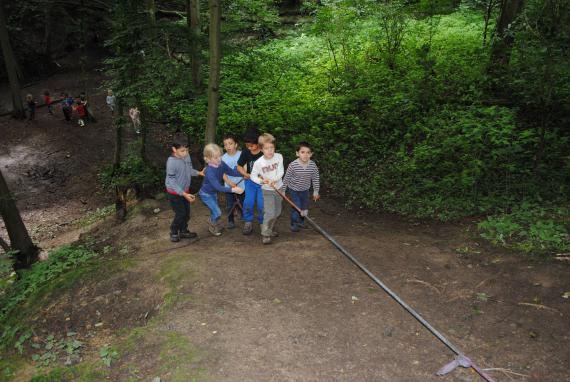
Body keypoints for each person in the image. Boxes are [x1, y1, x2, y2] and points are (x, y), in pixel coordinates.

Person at [199, 143, 244, 236]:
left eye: (220, 156)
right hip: (206, 194)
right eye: (215, 157)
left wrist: (244, 174)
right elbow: (218, 187)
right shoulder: (209, 171)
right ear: (208, 159)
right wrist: (233, 190)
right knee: (217, 212)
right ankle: (211, 222)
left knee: (214, 211)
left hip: (213, 193)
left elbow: (231, 172)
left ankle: (214, 224)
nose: (219, 159)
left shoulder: (221, 164)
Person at [250, 133, 284, 244]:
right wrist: (262, 181)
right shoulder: (258, 163)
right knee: (269, 213)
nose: (270, 150)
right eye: (266, 148)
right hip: (267, 190)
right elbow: (253, 176)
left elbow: (281, 171)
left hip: (279, 188)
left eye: (272, 147)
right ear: (261, 149)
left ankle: (269, 229)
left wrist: (274, 180)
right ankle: (265, 234)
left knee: (277, 212)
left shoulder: (279, 157)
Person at [165, 135, 199, 242]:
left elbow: (189, 170)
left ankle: (183, 230)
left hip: (185, 191)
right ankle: (174, 231)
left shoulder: (186, 156)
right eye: (182, 151)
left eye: (187, 150)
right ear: (174, 149)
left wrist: (199, 173)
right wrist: (183, 194)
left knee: (187, 213)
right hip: (174, 192)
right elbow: (172, 181)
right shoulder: (171, 162)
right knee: (181, 213)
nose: (186, 153)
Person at [283, 142, 320, 232]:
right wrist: (283, 190)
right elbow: (286, 178)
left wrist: (316, 191)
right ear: (297, 153)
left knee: (304, 207)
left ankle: (301, 222)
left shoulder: (312, 165)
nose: (305, 155)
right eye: (302, 152)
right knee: (297, 207)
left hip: (305, 190)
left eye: (308, 152)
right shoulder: (293, 165)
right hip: (294, 190)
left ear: (311, 154)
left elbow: (315, 178)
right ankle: (294, 223)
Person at [237, 128, 264, 235]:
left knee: (262, 204)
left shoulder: (264, 152)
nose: (249, 147)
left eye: (252, 145)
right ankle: (248, 222)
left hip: (262, 183)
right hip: (250, 182)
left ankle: (263, 223)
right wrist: (245, 174)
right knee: (248, 202)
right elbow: (239, 166)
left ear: (258, 143)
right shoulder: (245, 152)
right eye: (247, 145)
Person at [221, 133, 244, 229]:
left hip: (242, 185)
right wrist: (229, 183)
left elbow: (245, 168)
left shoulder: (242, 154)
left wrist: (245, 175)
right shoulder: (223, 158)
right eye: (225, 144)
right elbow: (222, 173)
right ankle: (230, 221)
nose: (228, 146)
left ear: (236, 144)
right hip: (229, 186)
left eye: (230, 143)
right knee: (230, 204)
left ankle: (244, 216)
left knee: (242, 202)